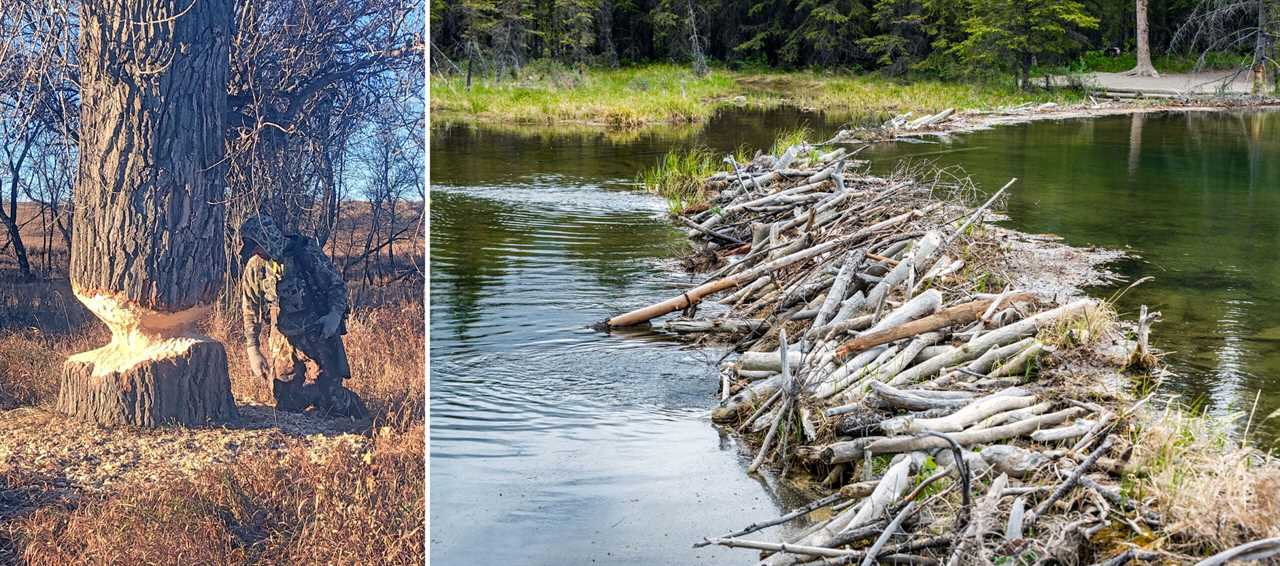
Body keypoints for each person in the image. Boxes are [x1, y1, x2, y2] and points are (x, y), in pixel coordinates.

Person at [239, 213, 368, 419]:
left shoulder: (305, 254)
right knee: (287, 402)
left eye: (257, 246)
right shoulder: (255, 267)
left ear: (268, 239)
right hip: (282, 340)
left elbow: (337, 286)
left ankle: (360, 419)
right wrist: (253, 349)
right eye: (252, 248)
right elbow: (250, 308)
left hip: (317, 333)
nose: (256, 252)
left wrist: (334, 316)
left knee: (332, 399)